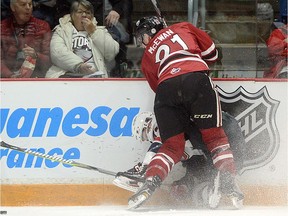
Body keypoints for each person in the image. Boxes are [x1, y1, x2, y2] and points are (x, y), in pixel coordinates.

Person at [127, 16, 244, 210]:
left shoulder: (148, 55)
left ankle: (150, 181)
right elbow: (212, 55)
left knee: (171, 147)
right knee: (215, 139)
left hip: (166, 90)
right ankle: (228, 181)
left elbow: (160, 87)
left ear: (152, 31)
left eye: (144, 37)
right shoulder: (184, 27)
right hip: (197, 81)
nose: (143, 42)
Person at [113, 111, 245, 208]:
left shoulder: (170, 124)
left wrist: (147, 167)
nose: (150, 138)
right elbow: (194, 162)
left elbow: (163, 150)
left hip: (221, 131)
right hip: (229, 136)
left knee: (165, 143)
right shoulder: (185, 135)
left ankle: (143, 171)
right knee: (212, 184)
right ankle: (228, 184)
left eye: (145, 134)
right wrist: (185, 182)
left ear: (149, 125)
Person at [45, 0, 119, 78]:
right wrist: (78, 66)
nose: (84, 15)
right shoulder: (61, 30)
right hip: (67, 74)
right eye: (80, 12)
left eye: (88, 13)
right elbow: (57, 53)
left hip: (95, 76)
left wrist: (94, 32)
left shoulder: (100, 31)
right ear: (72, 15)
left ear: (92, 16)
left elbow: (112, 52)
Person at [1, 0, 52, 78]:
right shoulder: (2, 27)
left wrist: (36, 55)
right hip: (6, 78)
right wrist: (10, 76)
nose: (28, 8)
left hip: (36, 76)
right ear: (13, 7)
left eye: (30, 4)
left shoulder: (43, 26)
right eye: (23, 4)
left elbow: (50, 60)